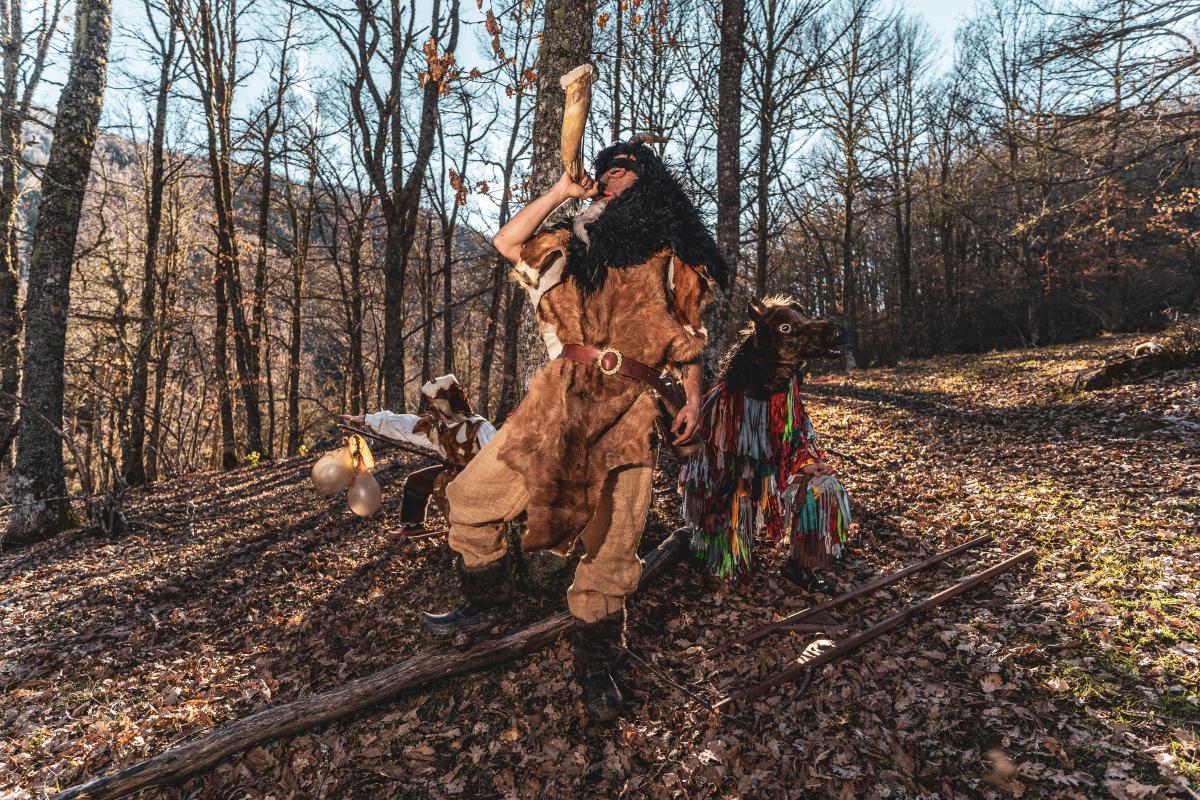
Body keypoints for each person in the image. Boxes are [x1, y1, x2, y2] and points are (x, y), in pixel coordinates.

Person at [419, 138, 728, 721]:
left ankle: (596, 661)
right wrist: (564, 190)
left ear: (650, 183)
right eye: (606, 171)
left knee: (614, 547)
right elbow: (507, 242)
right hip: (558, 399)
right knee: (473, 497)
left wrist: (690, 400)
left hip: (631, 409)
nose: (611, 179)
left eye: (626, 172)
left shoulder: (672, 258)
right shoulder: (572, 245)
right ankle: (487, 604)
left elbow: (689, 340)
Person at [340, 374, 496, 533]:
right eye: (433, 403)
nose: (434, 408)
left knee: (451, 491)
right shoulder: (437, 428)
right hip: (451, 473)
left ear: (451, 401)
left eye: (438, 402)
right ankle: (413, 526)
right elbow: (406, 425)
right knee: (416, 482)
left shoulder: (479, 427)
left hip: (477, 480)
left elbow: (497, 460)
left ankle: (469, 529)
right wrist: (368, 419)